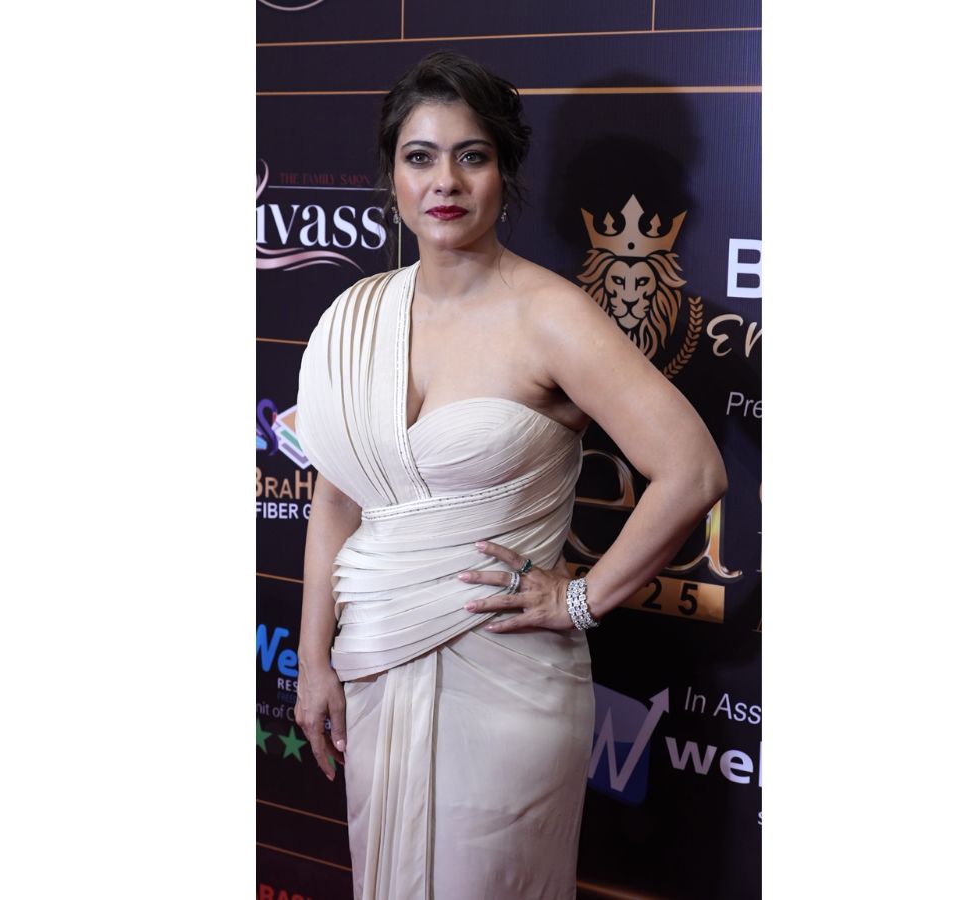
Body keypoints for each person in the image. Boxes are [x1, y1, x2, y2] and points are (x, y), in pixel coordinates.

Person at [293, 50, 727, 900]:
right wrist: (314, 661)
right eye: (420, 157)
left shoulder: (551, 316)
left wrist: (580, 598)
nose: (445, 182)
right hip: (374, 662)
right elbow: (337, 496)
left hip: (505, 683)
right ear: (391, 174)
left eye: (472, 155)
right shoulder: (352, 316)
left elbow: (693, 469)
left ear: (505, 172)